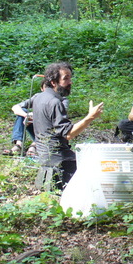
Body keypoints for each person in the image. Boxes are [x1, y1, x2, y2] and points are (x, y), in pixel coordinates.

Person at [33, 62, 104, 190]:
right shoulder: (54, 102)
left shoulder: (39, 98)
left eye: (70, 78)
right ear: (54, 82)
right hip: (60, 160)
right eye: (66, 79)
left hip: (44, 157)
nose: (70, 82)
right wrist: (90, 117)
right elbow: (69, 134)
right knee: (100, 169)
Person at [4, 80, 69, 157]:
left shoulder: (61, 99)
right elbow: (15, 107)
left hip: (50, 131)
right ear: (42, 89)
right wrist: (26, 115)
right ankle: (19, 144)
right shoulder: (37, 96)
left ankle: (34, 145)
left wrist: (35, 116)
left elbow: (57, 117)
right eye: (46, 88)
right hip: (35, 126)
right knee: (22, 112)